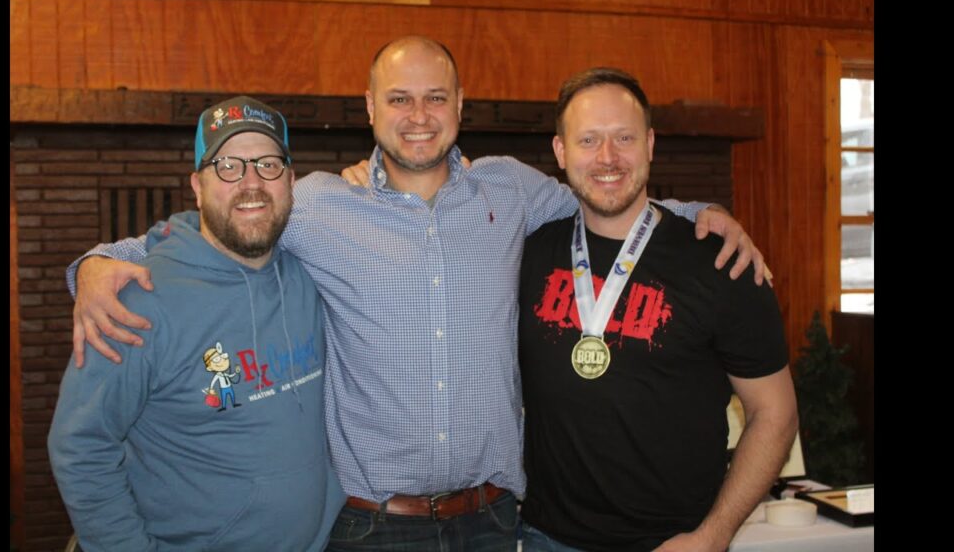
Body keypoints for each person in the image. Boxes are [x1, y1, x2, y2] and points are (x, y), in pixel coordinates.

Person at [66, 37, 766, 551]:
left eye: (436, 96)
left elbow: (607, 194)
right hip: (372, 527)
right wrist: (99, 262)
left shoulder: (511, 190)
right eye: (399, 98)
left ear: (460, 106)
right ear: (370, 108)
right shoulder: (314, 204)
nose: (419, 114)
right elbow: (220, 223)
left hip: (495, 522)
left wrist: (703, 212)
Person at [517, 68, 797, 552]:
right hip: (546, 538)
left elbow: (776, 412)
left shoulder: (721, 262)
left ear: (649, 143)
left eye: (623, 138)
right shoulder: (527, 253)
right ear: (561, 152)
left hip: (675, 543)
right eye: (589, 140)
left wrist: (712, 536)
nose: (607, 158)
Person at [48, 96, 344, 551]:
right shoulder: (139, 300)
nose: (251, 183)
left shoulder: (315, 272)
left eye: (267, 164)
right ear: (197, 186)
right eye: (227, 165)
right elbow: (80, 446)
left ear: (290, 180)